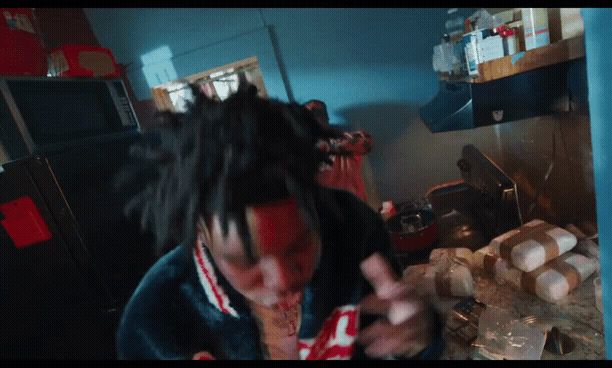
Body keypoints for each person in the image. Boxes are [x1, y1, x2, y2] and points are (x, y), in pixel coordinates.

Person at [115, 84, 444, 360]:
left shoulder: (352, 228)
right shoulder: (155, 322)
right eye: (247, 260)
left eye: (300, 244)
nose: (282, 281)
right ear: (202, 233)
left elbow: (394, 332)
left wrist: (423, 335)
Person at [304, 99, 373, 202]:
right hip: (328, 208)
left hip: (356, 205)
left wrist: (331, 146)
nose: (316, 117)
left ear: (327, 117)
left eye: (319, 113)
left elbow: (366, 143)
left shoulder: (344, 137)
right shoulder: (303, 148)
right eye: (310, 114)